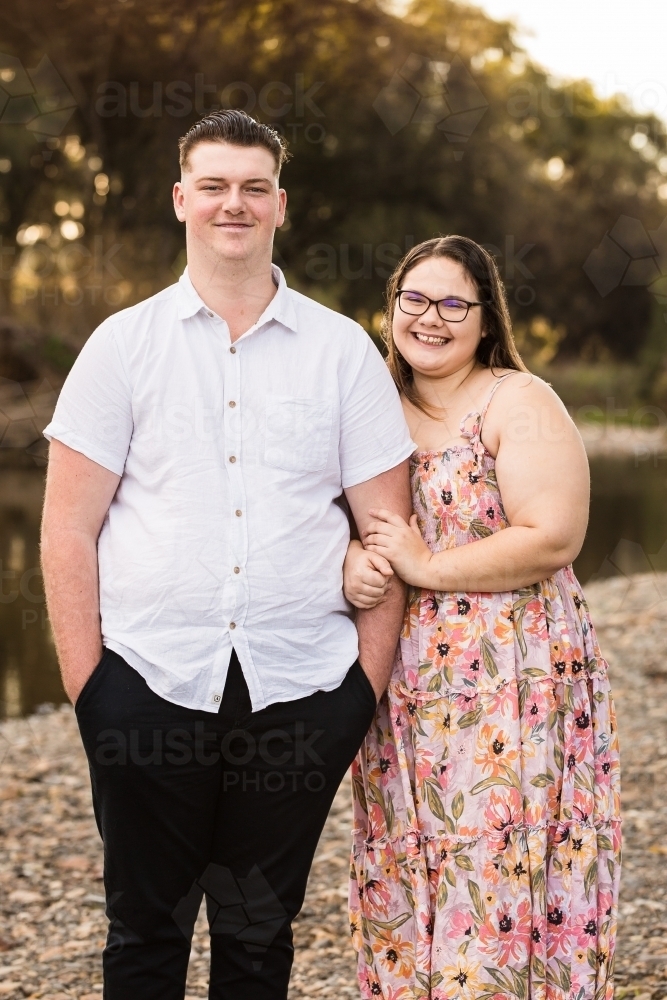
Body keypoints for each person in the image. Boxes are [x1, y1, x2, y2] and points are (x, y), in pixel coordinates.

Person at [40, 110, 414, 1000]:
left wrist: (359, 692)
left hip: (300, 690)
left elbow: (387, 534)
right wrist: (91, 689)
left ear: (280, 204)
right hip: (146, 682)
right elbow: (66, 531)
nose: (231, 204)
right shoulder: (120, 347)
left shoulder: (342, 353)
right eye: (212, 186)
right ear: (181, 199)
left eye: (252, 187)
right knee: (143, 931)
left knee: (257, 934)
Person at [343, 236, 621, 1000]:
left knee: (501, 856)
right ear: (392, 306)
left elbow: (552, 535)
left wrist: (427, 568)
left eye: (452, 304)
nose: (430, 319)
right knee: (413, 851)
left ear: (484, 319)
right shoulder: (371, 403)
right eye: (415, 300)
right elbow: (324, 518)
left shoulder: (515, 401)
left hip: (516, 678)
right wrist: (348, 562)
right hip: (401, 683)